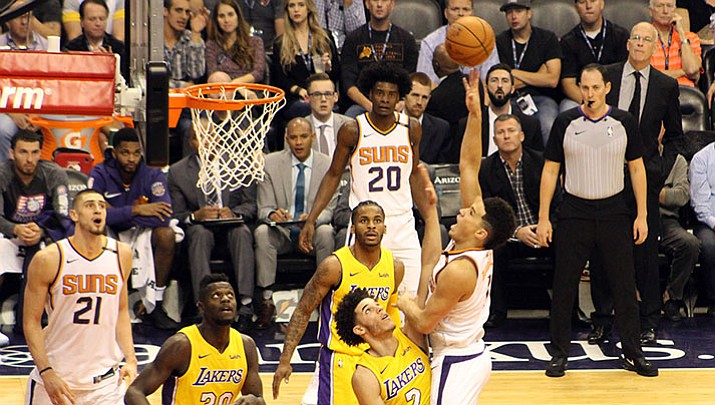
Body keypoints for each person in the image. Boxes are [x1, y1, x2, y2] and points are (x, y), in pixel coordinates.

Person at [397, 69, 517, 404]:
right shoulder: (472, 242)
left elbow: (421, 321)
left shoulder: (462, 270)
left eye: (471, 213)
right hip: (457, 355)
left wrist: (400, 299)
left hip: (458, 360)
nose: (463, 210)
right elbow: (468, 164)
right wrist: (476, 114)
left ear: (480, 232)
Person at [536, 63, 658, 377]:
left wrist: (642, 214)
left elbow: (637, 169)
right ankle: (559, 354)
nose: (589, 94)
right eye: (584, 88)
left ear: (607, 88)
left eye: (595, 88)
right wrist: (544, 217)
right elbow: (550, 170)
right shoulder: (565, 122)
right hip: (574, 212)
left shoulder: (623, 121)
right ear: (579, 88)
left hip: (615, 211)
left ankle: (633, 352)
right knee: (564, 286)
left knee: (624, 287)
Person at [299, 62, 429, 296]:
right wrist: (312, 218)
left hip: (403, 224)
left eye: (391, 94)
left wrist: (429, 215)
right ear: (370, 93)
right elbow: (333, 175)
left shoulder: (412, 128)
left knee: (409, 302)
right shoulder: (353, 130)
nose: (385, 99)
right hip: (365, 226)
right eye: (380, 93)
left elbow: (414, 173)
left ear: (399, 97)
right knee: (363, 306)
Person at [593, 21, 684, 345]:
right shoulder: (607, 75)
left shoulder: (665, 85)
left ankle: (648, 320)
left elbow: (675, 136)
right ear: (628, 43)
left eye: (648, 39)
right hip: (604, 174)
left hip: (644, 177)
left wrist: (659, 169)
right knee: (602, 248)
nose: (641, 44)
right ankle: (603, 318)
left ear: (655, 47)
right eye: (636, 38)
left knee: (645, 252)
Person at [273, 201, 404, 405]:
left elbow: (392, 316)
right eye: (363, 221)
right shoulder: (334, 266)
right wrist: (284, 360)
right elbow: (303, 310)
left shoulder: (395, 267)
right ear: (353, 228)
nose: (371, 226)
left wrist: (400, 354)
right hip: (340, 361)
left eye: (377, 221)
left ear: (384, 228)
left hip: (377, 361)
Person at [24, 189, 137, 404]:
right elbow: (31, 322)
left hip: (105, 384)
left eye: (102, 205)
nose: (98, 210)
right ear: (74, 215)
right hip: (58, 378)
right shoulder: (49, 258)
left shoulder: (122, 254)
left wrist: (131, 359)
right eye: (90, 205)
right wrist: (47, 372)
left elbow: (121, 311)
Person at [89, 128, 181, 330]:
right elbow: (95, 216)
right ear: (114, 153)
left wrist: (118, 214)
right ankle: (104, 304)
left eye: (136, 153)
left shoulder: (152, 172)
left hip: (142, 231)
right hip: (112, 231)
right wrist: (138, 210)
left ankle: (153, 304)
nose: (131, 158)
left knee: (167, 234)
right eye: (125, 153)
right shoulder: (99, 172)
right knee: (96, 232)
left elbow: (165, 215)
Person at [125, 273, 265, 405]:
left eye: (230, 295)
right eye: (216, 296)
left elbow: (258, 399)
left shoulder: (246, 345)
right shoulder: (182, 345)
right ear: (201, 307)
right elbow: (134, 392)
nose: (225, 299)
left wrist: (255, 400)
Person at [167, 128, 257, 332]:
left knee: (242, 232)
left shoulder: (240, 164)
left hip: (231, 225)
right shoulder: (178, 171)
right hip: (201, 228)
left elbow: (251, 205)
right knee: (198, 233)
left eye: (212, 137)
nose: (208, 143)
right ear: (191, 142)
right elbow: (177, 213)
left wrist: (233, 213)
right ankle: (204, 304)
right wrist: (195, 216)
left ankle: (245, 304)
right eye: (200, 138)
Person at [254, 117, 337, 329]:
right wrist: (272, 214)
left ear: (313, 137)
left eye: (303, 137)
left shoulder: (327, 164)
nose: (298, 142)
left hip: (313, 231)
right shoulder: (270, 163)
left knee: (327, 232)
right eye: (293, 137)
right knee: (262, 232)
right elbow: (263, 208)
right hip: (282, 232)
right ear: (286, 139)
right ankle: (266, 299)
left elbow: (330, 209)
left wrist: (311, 220)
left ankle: (324, 299)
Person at [479, 113, 553, 327]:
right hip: (509, 235)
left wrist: (545, 225)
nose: (506, 136)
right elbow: (489, 212)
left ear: (522, 135)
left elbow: (558, 202)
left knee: (569, 243)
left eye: (511, 131)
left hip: (543, 229)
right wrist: (516, 231)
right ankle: (496, 312)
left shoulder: (541, 162)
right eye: (500, 132)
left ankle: (568, 311)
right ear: (494, 140)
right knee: (492, 248)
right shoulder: (486, 168)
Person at [0, 130, 69, 338]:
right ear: (12, 153)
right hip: (9, 234)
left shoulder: (55, 173)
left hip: (43, 235)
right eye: (23, 152)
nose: (29, 159)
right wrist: (15, 229)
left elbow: (63, 215)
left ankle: (58, 320)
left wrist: (41, 230)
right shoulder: (3, 174)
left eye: (34, 152)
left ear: (41, 153)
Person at [335, 288, 432, 405]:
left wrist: (406, 303)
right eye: (368, 310)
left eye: (377, 305)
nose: (379, 308)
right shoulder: (365, 375)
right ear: (359, 329)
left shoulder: (408, 335)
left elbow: (423, 293)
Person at [496, 0, 562, 144]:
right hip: (511, 100)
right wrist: (539, 74)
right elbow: (502, 83)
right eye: (509, 12)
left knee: (548, 125)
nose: (513, 16)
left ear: (529, 13)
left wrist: (512, 72)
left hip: (543, 99)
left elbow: (552, 80)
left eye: (518, 11)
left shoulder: (547, 38)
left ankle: (548, 165)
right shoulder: (499, 42)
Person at [340, 0, 419, 117]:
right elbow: (348, 84)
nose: (379, 5)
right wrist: (370, 106)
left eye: (384, 0)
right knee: (351, 116)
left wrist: (400, 103)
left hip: (397, 105)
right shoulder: (354, 39)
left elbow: (412, 79)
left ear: (392, 4)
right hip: (363, 105)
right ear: (367, 4)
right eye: (375, 0)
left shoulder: (406, 39)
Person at [272, 0, 339, 119]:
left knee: (323, 106)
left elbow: (336, 73)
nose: (296, 9)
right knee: (306, 108)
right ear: (287, 10)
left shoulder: (325, 37)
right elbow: (279, 78)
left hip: (322, 94)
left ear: (308, 9)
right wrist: (299, 91)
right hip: (296, 97)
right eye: (292, 6)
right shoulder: (281, 42)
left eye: (301, 5)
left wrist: (328, 69)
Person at [559, 0, 629, 111]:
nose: (588, 6)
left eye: (593, 1)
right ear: (576, 7)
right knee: (566, 109)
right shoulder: (568, 41)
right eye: (582, 2)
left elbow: (626, 77)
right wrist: (591, 103)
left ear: (602, 4)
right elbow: (568, 84)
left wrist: (604, 104)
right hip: (581, 98)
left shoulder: (620, 36)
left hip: (614, 96)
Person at [0, 1, 47, 163]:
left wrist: (38, 114)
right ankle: (5, 178)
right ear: (7, 20)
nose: (24, 22)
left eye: (28, 17)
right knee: (3, 128)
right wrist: (11, 111)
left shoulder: (46, 46)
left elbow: (53, 86)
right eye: (19, 17)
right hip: (7, 108)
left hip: (42, 107)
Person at [416, 0, 500, 86]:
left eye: (466, 9)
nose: (461, 13)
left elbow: (491, 83)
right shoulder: (430, 43)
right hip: (442, 97)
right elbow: (425, 85)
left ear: (472, 13)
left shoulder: (486, 41)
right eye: (455, 9)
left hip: (478, 97)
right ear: (446, 13)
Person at [660, 151, 700, 321]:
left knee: (690, 244)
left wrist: (652, 192)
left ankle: (672, 295)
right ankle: (635, 297)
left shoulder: (677, 160)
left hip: (667, 221)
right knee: (617, 242)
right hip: (638, 218)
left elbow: (682, 195)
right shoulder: (634, 154)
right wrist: (666, 193)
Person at [480, 63, 542, 157]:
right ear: (486, 87)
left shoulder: (530, 125)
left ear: (512, 88)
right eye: (494, 80)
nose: (499, 85)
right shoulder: (471, 124)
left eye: (505, 81)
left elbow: (536, 162)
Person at [63, 0, 127, 79]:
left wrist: (111, 63)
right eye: (92, 19)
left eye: (102, 19)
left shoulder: (118, 48)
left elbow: (124, 79)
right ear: (82, 21)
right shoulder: (71, 48)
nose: (98, 23)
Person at [206, 0, 265, 84]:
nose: (226, 20)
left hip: (249, 90)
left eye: (230, 14)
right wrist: (233, 88)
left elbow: (258, 73)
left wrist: (235, 84)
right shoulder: (211, 45)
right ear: (216, 20)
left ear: (238, 16)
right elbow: (213, 75)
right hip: (221, 90)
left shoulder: (255, 42)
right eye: (221, 16)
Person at [689, 142, 715, 318]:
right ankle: (713, 301)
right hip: (708, 222)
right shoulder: (701, 159)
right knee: (709, 246)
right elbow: (700, 205)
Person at [650, 0, 702, 87]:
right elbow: (648, 75)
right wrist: (683, 72)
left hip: (686, 94)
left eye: (669, 6)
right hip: (654, 91)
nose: (665, 11)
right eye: (660, 6)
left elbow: (692, 69)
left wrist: (682, 34)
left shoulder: (691, 38)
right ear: (650, 11)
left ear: (675, 10)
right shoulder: (644, 38)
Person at [403, 72, 451, 164]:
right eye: (415, 95)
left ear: (429, 99)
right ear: (404, 95)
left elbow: (442, 170)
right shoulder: (389, 124)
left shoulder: (441, 129)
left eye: (424, 97)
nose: (419, 102)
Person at [304, 73, 352, 159]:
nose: (323, 99)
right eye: (317, 94)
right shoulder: (298, 129)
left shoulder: (350, 125)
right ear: (307, 98)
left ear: (335, 97)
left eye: (328, 94)